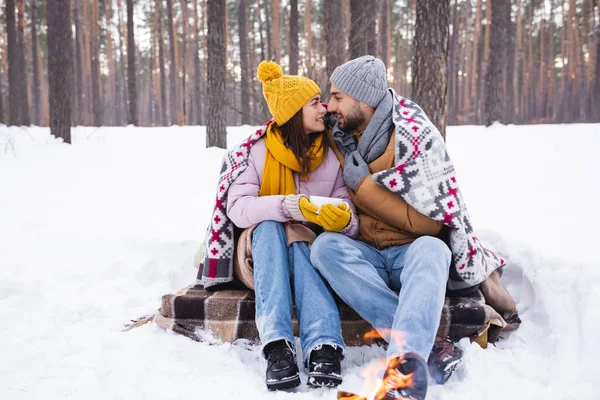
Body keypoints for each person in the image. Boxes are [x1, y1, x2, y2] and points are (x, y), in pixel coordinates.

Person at [310, 55, 476, 400]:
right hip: (363, 249)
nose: (330, 104)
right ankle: (422, 348)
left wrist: (365, 186)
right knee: (324, 247)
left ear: (364, 100)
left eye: (338, 96)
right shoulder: (335, 134)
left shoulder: (415, 135)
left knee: (435, 249)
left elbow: (431, 223)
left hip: (410, 249)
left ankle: (402, 372)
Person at [226, 60, 359, 391]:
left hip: (308, 253)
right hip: (259, 256)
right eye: (314, 103)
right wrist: (286, 206)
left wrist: (344, 219)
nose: (324, 108)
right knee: (272, 225)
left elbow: (349, 213)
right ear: (292, 113)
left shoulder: (331, 153)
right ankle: (277, 347)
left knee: (299, 238)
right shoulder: (256, 152)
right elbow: (238, 209)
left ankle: (323, 346)